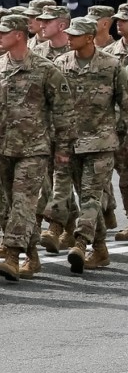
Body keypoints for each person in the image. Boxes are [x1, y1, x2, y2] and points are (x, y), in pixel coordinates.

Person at [0, 14, 73, 282]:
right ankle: (32, 253)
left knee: (22, 202)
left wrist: (63, 148)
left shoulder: (45, 69)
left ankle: (11, 255)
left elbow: (63, 111)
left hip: (34, 149)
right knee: (14, 203)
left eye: (3, 32)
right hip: (1, 148)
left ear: (19, 35)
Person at [50, 16, 126, 273]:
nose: (69, 38)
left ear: (90, 38)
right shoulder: (61, 64)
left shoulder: (112, 65)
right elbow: (54, 105)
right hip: (71, 144)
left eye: (75, 35)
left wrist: (120, 133)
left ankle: (81, 243)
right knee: (85, 198)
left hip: (101, 143)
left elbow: (126, 104)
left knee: (92, 196)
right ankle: (101, 249)